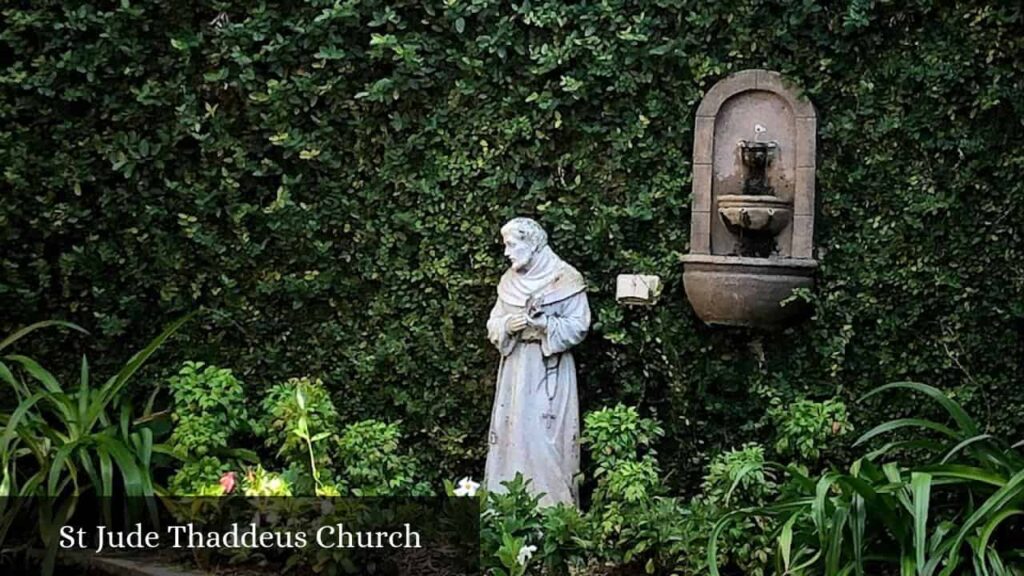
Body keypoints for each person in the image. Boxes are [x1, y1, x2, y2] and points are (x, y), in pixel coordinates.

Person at [483, 217, 591, 506]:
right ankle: (506, 508)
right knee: (511, 434)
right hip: (515, 371)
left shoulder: (566, 279)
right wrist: (508, 325)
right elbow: (493, 322)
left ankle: (552, 512)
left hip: (549, 371)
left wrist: (545, 326)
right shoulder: (509, 281)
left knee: (546, 439)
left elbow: (579, 324)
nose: (506, 252)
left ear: (531, 244)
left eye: (511, 245)